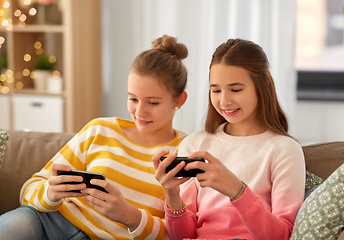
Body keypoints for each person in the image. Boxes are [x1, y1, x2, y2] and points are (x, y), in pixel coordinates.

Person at [0, 34, 188, 240]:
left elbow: (179, 234)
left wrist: (130, 216)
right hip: (47, 221)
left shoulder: (186, 151)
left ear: (179, 99)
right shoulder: (100, 129)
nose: (139, 112)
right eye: (132, 99)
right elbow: (29, 188)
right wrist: (50, 193)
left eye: (152, 103)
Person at [152, 38, 306, 240]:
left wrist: (236, 190)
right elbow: (182, 236)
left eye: (236, 89)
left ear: (264, 83)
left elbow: (282, 235)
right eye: (216, 90)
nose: (224, 101)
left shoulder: (284, 150)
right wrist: (172, 194)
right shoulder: (195, 144)